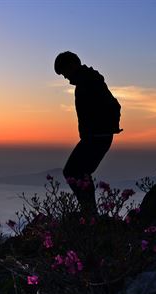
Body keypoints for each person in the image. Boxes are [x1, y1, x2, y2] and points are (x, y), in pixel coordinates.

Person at [54, 51, 122, 216]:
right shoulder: (88, 80)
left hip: (97, 137)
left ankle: (89, 212)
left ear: (72, 65)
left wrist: (99, 127)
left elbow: (113, 106)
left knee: (72, 171)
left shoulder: (89, 82)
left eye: (64, 72)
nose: (65, 77)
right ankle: (89, 212)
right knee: (80, 172)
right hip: (96, 136)